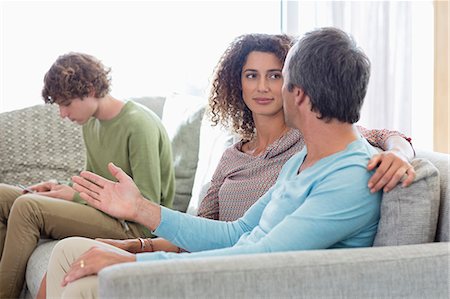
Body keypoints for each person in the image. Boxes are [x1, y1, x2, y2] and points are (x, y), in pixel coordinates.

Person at [46, 27, 409, 298]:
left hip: (248, 283)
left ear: (297, 93)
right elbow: (236, 234)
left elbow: (259, 257)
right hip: (235, 270)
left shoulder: (352, 178)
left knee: (85, 286)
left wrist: (131, 262)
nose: (269, 89)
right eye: (253, 76)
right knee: (68, 255)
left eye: (280, 79)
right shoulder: (305, 159)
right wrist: (140, 208)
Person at [0, 52, 175, 298]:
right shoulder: (92, 124)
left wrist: (75, 197)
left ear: (90, 89)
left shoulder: (138, 125)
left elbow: (147, 206)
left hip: (136, 226)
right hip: (106, 212)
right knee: (3, 195)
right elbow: (93, 183)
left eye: (66, 104)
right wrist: (58, 187)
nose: (62, 113)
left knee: (28, 208)